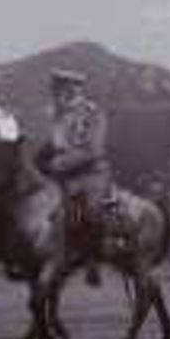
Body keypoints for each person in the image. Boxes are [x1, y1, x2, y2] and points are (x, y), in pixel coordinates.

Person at [37, 67, 114, 253]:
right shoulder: (58, 115)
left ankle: (95, 253)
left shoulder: (92, 112)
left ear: (77, 88)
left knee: (91, 210)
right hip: (61, 176)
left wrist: (58, 165)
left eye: (66, 87)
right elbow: (51, 145)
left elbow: (93, 150)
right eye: (57, 87)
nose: (59, 92)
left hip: (90, 174)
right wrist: (37, 162)